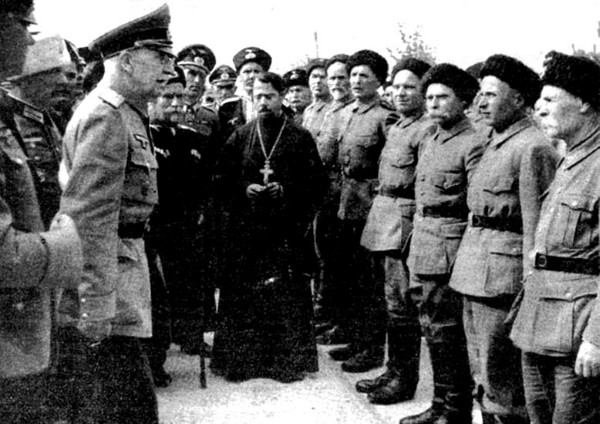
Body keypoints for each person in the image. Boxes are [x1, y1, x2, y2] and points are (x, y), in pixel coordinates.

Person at [55, 4, 175, 423]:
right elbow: (86, 220)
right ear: (127, 59)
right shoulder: (106, 116)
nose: (170, 69)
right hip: (109, 288)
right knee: (124, 406)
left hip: (125, 271)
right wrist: (93, 306)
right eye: (160, 57)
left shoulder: (126, 112)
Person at [448, 54, 559, 424]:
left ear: (519, 101)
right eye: (479, 93)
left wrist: (532, 287)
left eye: (491, 95)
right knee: (483, 372)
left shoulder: (532, 147)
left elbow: (537, 227)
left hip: (503, 282)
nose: (480, 102)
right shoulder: (495, 141)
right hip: (474, 271)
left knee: (505, 383)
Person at [212, 71, 325, 383]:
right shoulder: (240, 135)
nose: (262, 102)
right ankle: (243, 363)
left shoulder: (299, 137)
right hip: (246, 232)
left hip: (283, 231)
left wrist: (285, 189)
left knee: (283, 295)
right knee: (245, 295)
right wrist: (244, 188)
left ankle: (283, 363)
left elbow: (316, 184)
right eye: (258, 96)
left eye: (269, 96)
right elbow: (221, 180)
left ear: (282, 97)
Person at [0, 2, 83, 423]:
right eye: (59, 76)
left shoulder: (48, 121)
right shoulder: (7, 118)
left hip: (39, 272)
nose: (67, 85)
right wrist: (62, 248)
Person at [510, 51, 600, 424]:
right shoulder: (570, 158)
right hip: (538, 319)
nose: (539, 108)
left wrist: (596, 339)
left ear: (582, 102)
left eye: (550, 99)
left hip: (577, 332)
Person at [399, 64, 485, 424]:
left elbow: (475, 208)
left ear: (464, 101)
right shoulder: (431, 137)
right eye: (429, 97)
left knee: (449, 334)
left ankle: (455, 411)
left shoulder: (474, 142)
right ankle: (439, 406)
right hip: (423, 243)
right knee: (432, 331)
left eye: (442, 97)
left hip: (451, 250)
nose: (433, 103)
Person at [357, 57, 434, 405]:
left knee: (404, 305)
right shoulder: (401, 125)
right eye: (397, 87)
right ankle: (394, 369)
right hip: (385, 218)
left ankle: (404, 379)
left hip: (405, 223)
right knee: (392, 303)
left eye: (410, 87)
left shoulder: (427, 129)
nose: (401, 93)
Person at [328, 50, 399, 373]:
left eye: (364, 76)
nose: (355, 81)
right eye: (353, 75)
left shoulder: (386, 117)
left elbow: (392, 165)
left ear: (379, 82)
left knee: (372, 284)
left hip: (372, 208)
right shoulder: (345, 113)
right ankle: (357, 340)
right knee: (352, 279)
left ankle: (372, 349)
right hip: (347, 203)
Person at [148, 65, 213, 360]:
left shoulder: (192, 138)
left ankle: (191, 337)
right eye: (168, 97)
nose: (176, 103)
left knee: (189, 281)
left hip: (184, 222)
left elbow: (205, 181)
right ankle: (156, 352)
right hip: (152, 224)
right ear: (152, 100)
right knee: (154, 292)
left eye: (179, 96)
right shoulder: (145, 137)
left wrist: (201, 210)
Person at [312, 54, 354, 344]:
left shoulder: (355, 110)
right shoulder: (327, 110)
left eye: (342, 77)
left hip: (347, 193)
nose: (337, 83)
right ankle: (332, 318)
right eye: (333, 78)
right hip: (326, 191)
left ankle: (346, 323)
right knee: (327, 258)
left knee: (346, 262)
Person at [218, 46, 271, 140]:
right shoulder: (227, 108)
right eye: (247, 72)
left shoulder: (276, 105)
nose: (252, 76)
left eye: (257, 71)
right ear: (239, 76)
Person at [302, 58, 332, 138]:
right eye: (314, 76)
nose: (318, 81)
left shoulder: (335, 108)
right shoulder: (308, 110)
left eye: (323, 77)